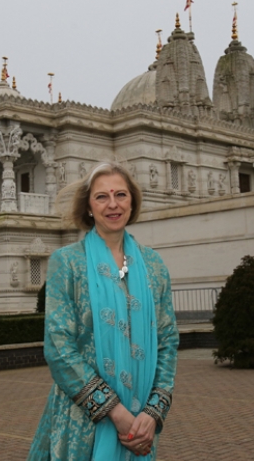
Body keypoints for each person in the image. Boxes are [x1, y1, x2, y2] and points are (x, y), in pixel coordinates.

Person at [28, 162, 179, 460]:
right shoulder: (68, 263)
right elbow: (59, 347)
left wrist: (153, 412)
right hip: (82, 420)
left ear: (132, 201)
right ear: (88, 206)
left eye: (121, 195)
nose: (113, 204)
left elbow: (168, 340)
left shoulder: (153, 265)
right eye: (101, 197)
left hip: (141, 421)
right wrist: (113, 410)